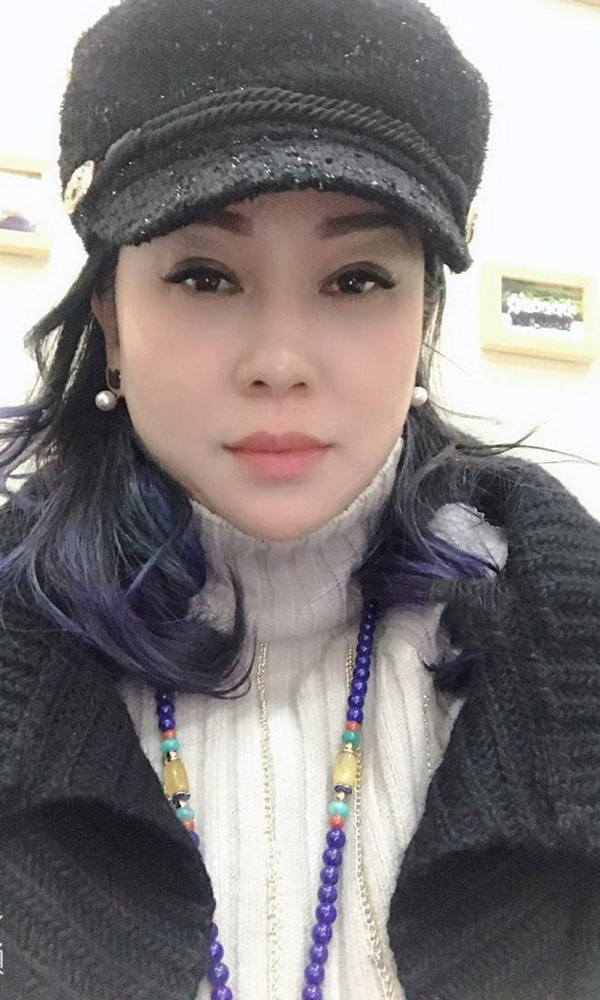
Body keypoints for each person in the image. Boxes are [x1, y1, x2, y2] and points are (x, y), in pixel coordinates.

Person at [0, 1, 599, 999]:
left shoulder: (566, 642)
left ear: (425, 314)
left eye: (356, 280)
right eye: (204, 276)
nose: (280, 362)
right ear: (109, 315)